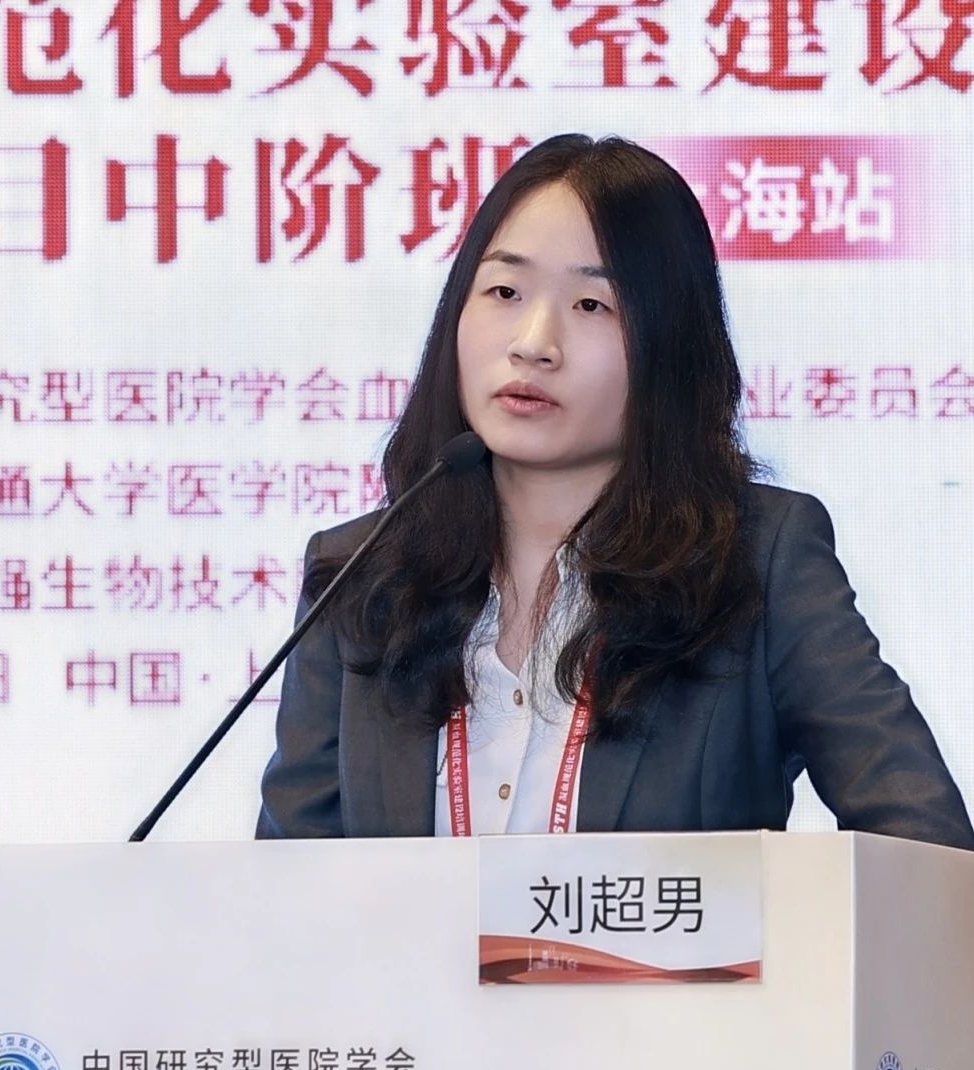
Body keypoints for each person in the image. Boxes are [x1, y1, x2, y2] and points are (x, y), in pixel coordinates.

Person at [256, 133, 973, 849]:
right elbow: (283, 887)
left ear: (669, 343)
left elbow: (927, 846)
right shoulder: (359, 575)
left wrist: (785, 918)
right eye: (504, 292)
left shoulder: (759, 562)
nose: (534, 342)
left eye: (592, 305)